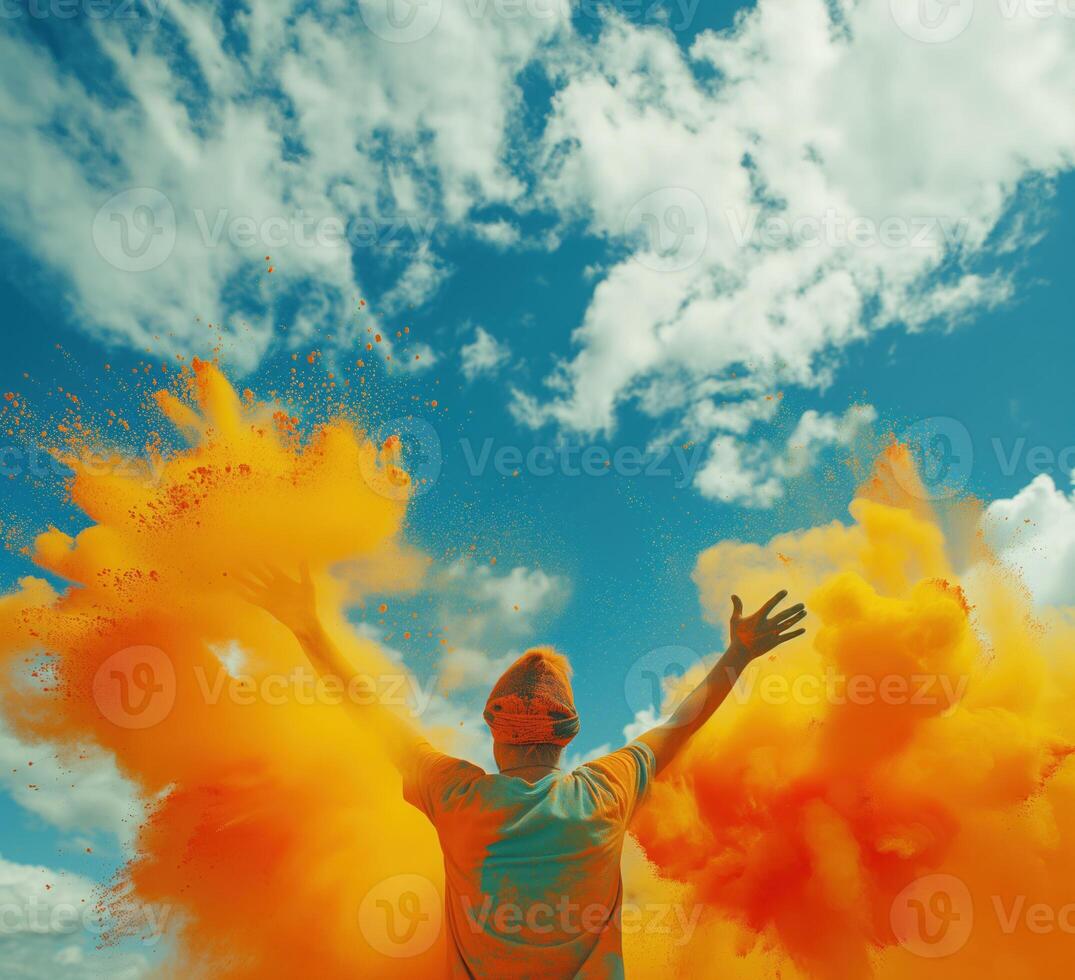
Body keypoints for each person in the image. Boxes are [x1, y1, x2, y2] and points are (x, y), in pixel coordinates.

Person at [236, 565, 806, 978]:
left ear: (492, 728)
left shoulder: (454, 794)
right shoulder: (606, 789)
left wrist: (307, 627)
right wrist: (737, 655)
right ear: (569, 733)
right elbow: (684, 722)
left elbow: (370, 710)